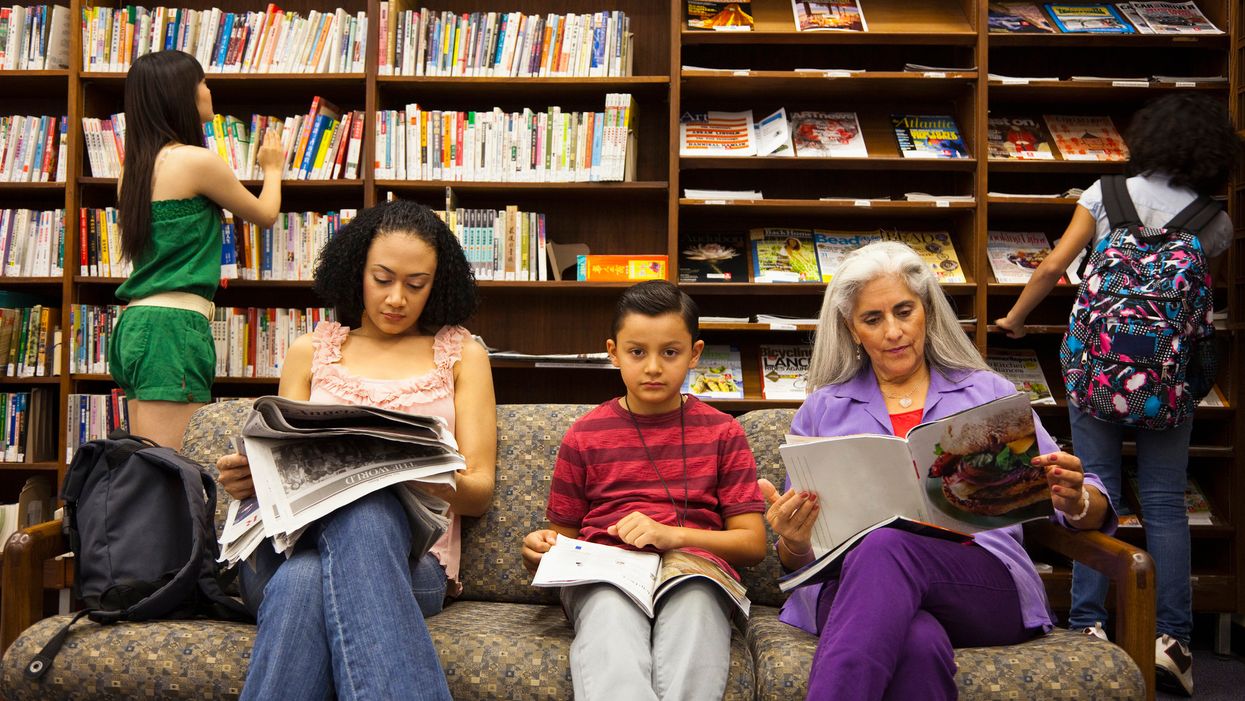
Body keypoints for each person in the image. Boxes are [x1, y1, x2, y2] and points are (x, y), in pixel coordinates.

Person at [767, 241, 1115, 701]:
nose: (893, 331)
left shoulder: (985, 393)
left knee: (888, 543)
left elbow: (1086, 503)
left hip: (979, 584)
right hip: (855, 586)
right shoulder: (821, 410)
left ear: (926, 311)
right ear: (852, 330)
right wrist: (792, 540)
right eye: (873, 319)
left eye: (904, 311)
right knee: (915, 641)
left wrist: (1076, 498)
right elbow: (801, 557)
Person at [995, 93, 1240, 696]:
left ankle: (1088, 627)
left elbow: (1054, 265)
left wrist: (1016, 321)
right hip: (1165, 380)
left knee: (1087, 486)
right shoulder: (1215, 220)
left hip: (1096, 373)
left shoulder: (1105, 194)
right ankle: (1174, 641)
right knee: (1162, 501)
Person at [215, 200, 497, 700]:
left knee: (341, 540)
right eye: (382, 278)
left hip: (416, 564)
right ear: (356, 272)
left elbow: (477, 492)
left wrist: (391, 474)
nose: (396, 299)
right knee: (312, 558)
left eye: (416, 284)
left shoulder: (462, 353)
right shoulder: (310, 351)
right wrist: (252, 477)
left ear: (438, 284)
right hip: (291, 548)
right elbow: (280, 456)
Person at [521, 280, 767, 701]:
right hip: (606, 572)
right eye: (637, 352)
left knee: (695, 605)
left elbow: (753, 543)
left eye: (670, 353)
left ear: (695, 353)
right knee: (609, 615)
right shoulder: (584, 435)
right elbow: (562, 537)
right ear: (613, 352)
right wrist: (541, 548)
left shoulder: (723, 432)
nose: (653, 367)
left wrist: (675, 537)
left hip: (695, 568)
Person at [111, 50, 284, 449]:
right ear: (181, 94)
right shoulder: (195, 161)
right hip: (172, 329)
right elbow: (265, 214)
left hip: (139, 323)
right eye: (202, 82)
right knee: (168, 473)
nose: (208, 89)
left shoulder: (132, 170)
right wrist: (273, 168)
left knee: (146, 463)